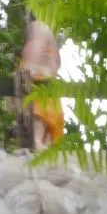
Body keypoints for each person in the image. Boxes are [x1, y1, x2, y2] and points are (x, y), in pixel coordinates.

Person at [19, 14, 65, 150]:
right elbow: (56, 64)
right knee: (46, 119)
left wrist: (27, 68)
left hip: (41, 86)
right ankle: (41, 143)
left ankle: (39, 142)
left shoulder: (39, 27)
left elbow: (35, 51)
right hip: (49, 89)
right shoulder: (49, 36)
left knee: (42, 119)